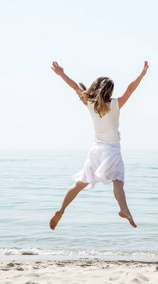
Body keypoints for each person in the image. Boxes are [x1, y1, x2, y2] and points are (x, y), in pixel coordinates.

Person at [49, 60, 149, 230]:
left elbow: (75, 86)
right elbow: (131, 88)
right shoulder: (115, 104)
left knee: (80, 183)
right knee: (118, 181)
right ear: (109, 92)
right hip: (112, 150)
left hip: (95, 150)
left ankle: (61, 209)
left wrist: (61, 74)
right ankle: (124, 209)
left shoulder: (89, 103)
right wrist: (142, 74)